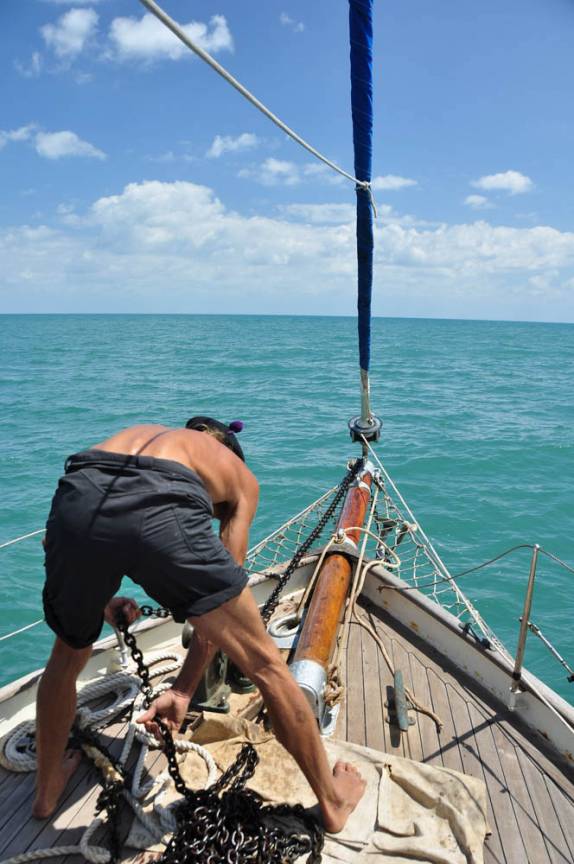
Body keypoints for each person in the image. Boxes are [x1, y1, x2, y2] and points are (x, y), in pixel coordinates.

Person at [34, 418, 365, 832]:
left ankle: (45, 795)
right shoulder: (240, 479)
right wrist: (183, 689)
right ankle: (333, 803)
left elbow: (72, 537)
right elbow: (219, 611)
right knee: (266, 666)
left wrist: (101, 600)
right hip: (160, 503)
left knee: (66, 656)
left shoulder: (147, 436)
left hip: (80, 490)